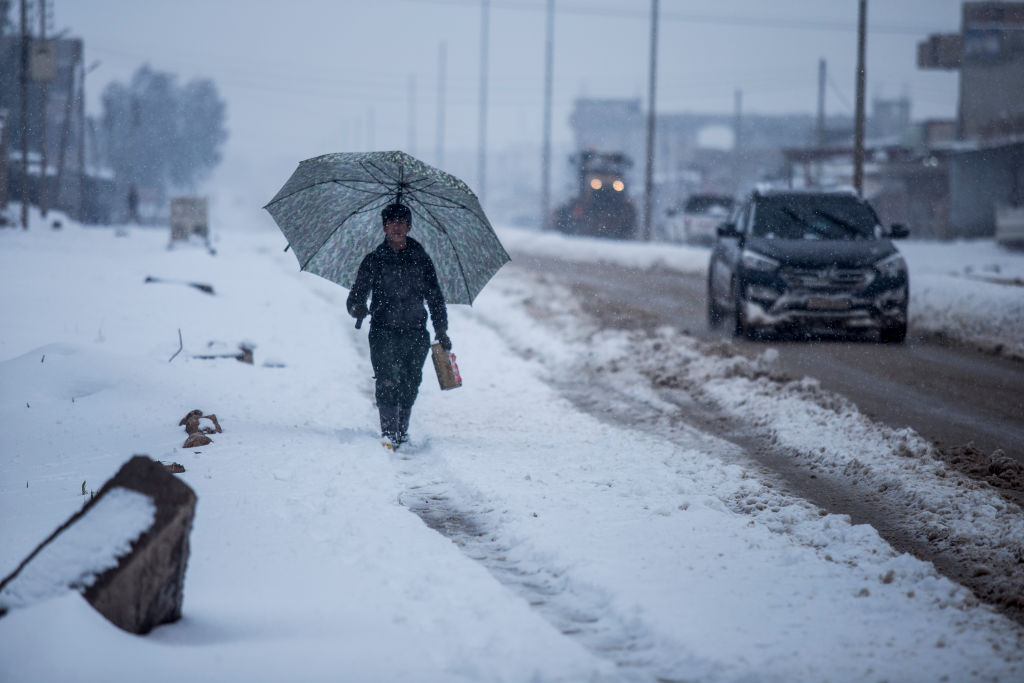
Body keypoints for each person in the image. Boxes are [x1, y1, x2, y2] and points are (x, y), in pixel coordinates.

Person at [346, 203, 451, 447]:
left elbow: (435, 298)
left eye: (402, 222)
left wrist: (442, 330)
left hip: (416, 332)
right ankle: (388, 432)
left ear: (409, 227)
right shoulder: (373, 260)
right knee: (386, 379)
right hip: (383, 331)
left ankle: (401, 430)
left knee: (410, 381)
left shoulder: (422, 261)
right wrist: (357, 308)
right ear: (384, 227)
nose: (397, 226)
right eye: (392, 222)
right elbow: (356, 296)